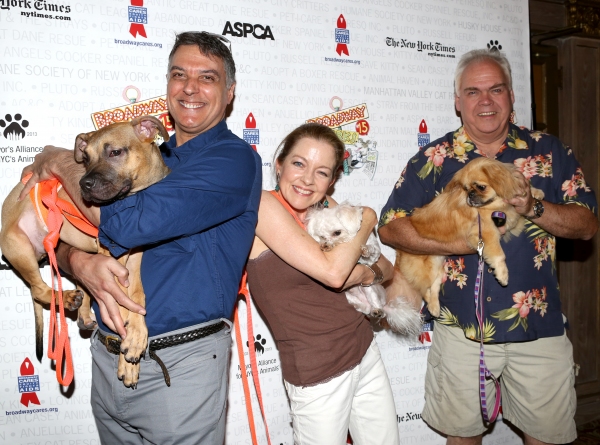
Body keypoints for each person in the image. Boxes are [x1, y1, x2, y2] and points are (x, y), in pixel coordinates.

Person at [20, 32, 262, 445]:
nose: (190, 87)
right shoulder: (142, 154)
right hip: (109, 357)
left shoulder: (232, 160)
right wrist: (80, 264)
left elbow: (126, 225)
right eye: (178, 74)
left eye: (207, 77)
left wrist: (60, 161)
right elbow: (74, 238)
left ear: (230, 93)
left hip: (181, 367)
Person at [378, 48, 598, 445]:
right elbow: (390, 228)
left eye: (496, 89)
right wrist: (461, 243)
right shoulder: (435, 158)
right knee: (462, 438)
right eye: (473, 91)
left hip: (539, 327)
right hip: (462, 330)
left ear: (511, 96)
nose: (485, 100)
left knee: (548, 437)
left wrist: (532, 206)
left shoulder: (549, 152)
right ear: (458, 102)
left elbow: (586, 225)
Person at [247, 122, 400, 445]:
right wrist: (367, 218)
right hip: (317, 373)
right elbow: (333, 274)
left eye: (321, 172)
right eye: (298, 164)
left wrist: (363, 274)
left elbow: (386, 268)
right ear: (279, 165)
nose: (306, 179)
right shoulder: (262, 206)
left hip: (363, 350)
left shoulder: (327, 207)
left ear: (332, 181)